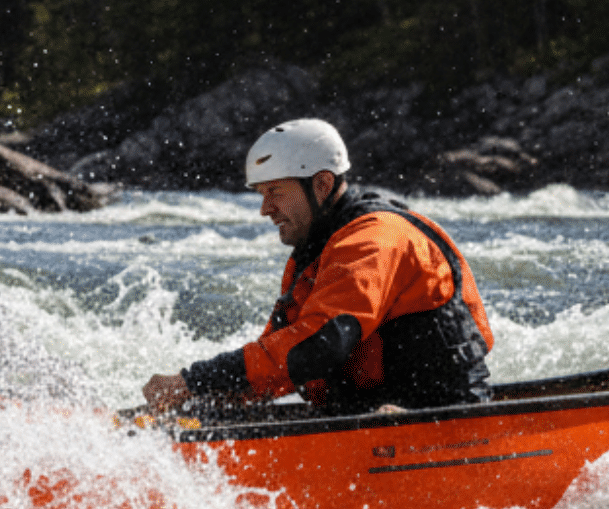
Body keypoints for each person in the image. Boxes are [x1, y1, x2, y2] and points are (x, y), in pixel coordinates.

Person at [142, 119, 495, 415]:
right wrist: (204, 397)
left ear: (322, 184)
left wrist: (194, 380)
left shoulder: (374, 241)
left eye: (276, 192)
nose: (265, 209)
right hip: (367, 411)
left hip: (436, 414)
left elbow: (316, 346)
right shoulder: (315, 251)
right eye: (261, 195)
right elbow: (277, 356)